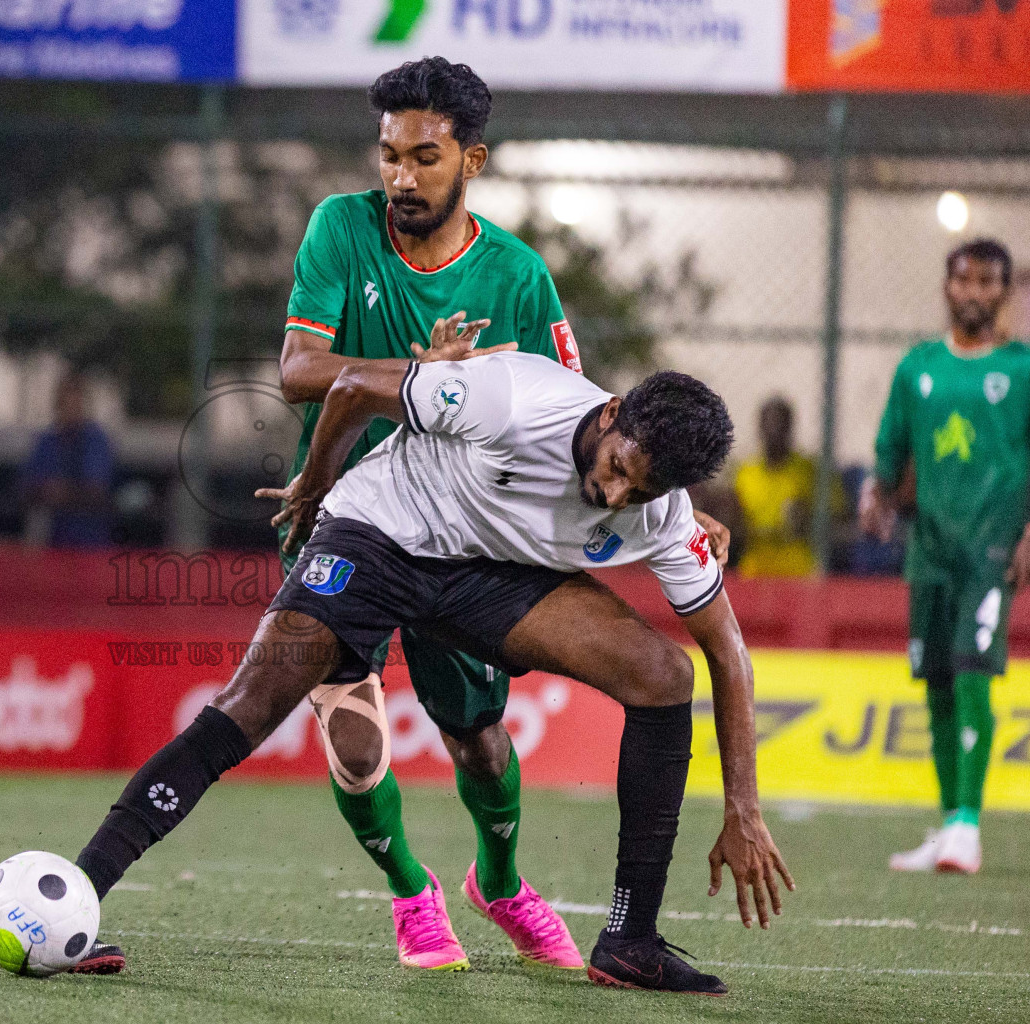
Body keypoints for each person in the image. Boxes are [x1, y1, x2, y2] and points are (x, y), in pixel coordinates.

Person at [71, 331, 793, 996]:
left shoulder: (660, 510)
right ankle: (80, 890)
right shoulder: (511, 397)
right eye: (618, 471)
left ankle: (630, 940)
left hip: (489, 576)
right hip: (379, 535)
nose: (614, 496)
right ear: (608, 417)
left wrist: (743, 810)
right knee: (252, 706)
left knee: (664, 676)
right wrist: (319, 486)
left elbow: (729, 656)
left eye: (641, 491)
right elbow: (351, 386)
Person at [259, 55, 732, 974]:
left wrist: (678, 501)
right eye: (389, 154)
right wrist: (425, 376)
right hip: (350, 515)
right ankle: (410, 893)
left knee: (477, 740)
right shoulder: (339, 230)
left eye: (423, 156)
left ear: (471, 160)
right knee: (354, 741)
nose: (399, 175)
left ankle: (503, 882)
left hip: (466, 535)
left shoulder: (517, 276)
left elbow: (592, 412)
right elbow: (297, 374)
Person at [861, 238, 1029, 875]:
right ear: (947, 287)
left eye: (989, 282)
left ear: (1005, 292)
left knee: (970, 672)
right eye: (965, 279)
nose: (976, 292)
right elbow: (890, 447)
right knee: (934, 681)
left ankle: (968, 825)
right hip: (929, 549)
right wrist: (875, 496)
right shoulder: (918, 367)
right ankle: (949, 821)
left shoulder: (1020, 369)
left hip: (991, 547)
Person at [732, 396, 837, 577]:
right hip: (755, 567)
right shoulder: (745, 473)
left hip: (798, 567)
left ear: (790, 429)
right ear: (760, 429)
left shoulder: (808, 471)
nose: (774, 432)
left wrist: (809, 517)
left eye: (780, 425)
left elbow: (838, 516)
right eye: (769, 425)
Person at [22, 373, 115, 549]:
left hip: (91, 546)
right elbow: (27, 489)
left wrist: (63, 492)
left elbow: (97, 491)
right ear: (57, 405)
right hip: (55, 544)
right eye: (66, 402)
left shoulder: (95, 440)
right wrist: (45, 491)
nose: (71, 409)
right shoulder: (47, 441)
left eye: (76, 402)